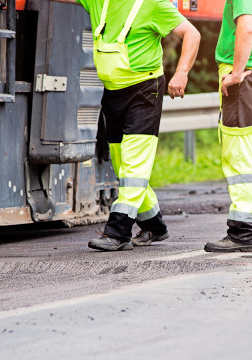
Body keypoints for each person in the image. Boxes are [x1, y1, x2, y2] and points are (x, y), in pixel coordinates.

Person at [53, 0, 201, 251]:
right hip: (113, 93)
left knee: (134, 165)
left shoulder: (153, 4)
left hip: (144, 91)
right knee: (124, 168)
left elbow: (192, 33)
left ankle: (118, 232)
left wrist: (182, 72)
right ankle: (154, 226)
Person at [204, 0, 252, 252]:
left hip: (245, 78)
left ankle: (243, 232)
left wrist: (237, 74)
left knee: (240, 155)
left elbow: (247, 28)